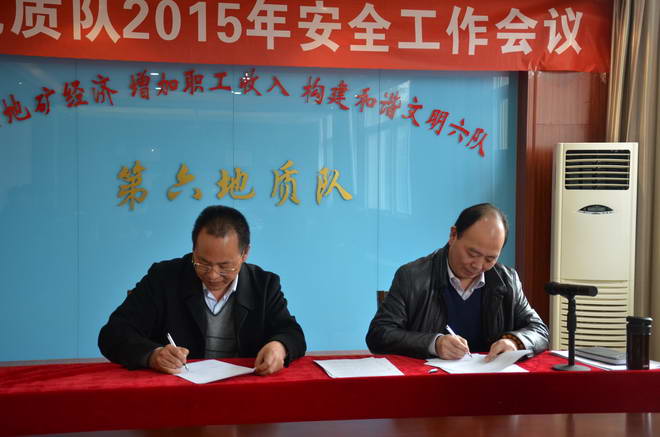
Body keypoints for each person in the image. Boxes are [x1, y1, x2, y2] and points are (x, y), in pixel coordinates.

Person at [99, 205, 306, 375]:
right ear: (194, 249)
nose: (213, 275)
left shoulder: (263, 284)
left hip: (242, 391)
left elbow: (292, 333)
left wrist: (279, 346)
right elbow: (113, 333)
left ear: (245, 253)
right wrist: (152, 355)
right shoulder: (164, 278)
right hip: (177, 393)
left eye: (225, 266)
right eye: (203, 263)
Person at [366, 203, 548, 361]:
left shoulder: (507, 280)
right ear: (453, 235)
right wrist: (434, 344)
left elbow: (539, 330)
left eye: (490, 258)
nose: (478, 265)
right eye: (472, 253)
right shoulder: (412, 277)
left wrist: (514, 342)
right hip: (429, 381)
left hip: (489, 381)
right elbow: (379, 335)